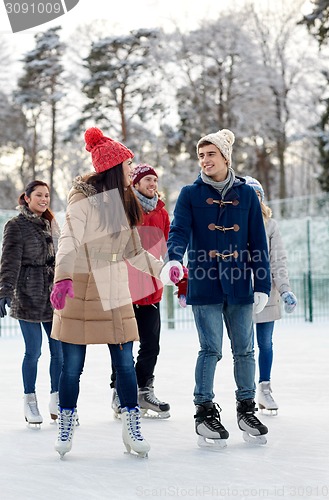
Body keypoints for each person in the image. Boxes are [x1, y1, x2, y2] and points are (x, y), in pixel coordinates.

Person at [50, 127, 180, 459]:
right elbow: (68, 240)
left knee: (124, 363)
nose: (130, 171)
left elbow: (134, 250)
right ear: (111, 168)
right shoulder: (81, 198)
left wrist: (163, 269)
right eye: (126, 165)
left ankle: (131, 424)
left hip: (114, 286)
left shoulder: (124, 201)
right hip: (80, 286)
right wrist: (62, 279)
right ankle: (66, 419)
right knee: (71, 366)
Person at [168, 129, 271, 447]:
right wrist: (174, 259)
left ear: (225, 157)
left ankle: (246, 408)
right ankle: (204, 411)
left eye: (210, 154)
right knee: (210, 349)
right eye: (201, 155)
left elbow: (258, 242)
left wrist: (262, 283)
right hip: (204, 281)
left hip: (240, 283)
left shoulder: (247, 195)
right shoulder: (190, 194)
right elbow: (179, 231)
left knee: (245, 350)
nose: (204, 160)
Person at [110, 163, 171, 418]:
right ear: (134, 184)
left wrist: (170, 274)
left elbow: (167, 248)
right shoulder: (125, 208)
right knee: (123, 346)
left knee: (151, 345)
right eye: (147, 180)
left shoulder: (162, 213)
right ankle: (119, 392)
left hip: (151, 291)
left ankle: (144, 390)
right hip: (125, 289)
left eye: (154, 180)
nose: (152, 184)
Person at [0, 180, 62, 427]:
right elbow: (9, 261)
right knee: (34, 351)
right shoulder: (16, 225)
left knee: (58, 351)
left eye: (46, 195)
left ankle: (57, 399)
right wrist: (4, 291)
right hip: (28, 293)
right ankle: (30, 399)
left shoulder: (51, 224)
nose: (44, 199)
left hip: (53, 296)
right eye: (39, 195)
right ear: (26, 198)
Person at [245, 176, 297, 414]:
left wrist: (285, 289)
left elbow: (278, 260)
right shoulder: (235, 224)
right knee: (244, 347)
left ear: (262, 198)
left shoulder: (270, 225)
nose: (254, 199)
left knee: (265, 343)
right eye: (249, 195)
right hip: (242, 292)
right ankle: (244, 392)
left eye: (257, 195)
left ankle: (264, 389)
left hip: (267, 291)